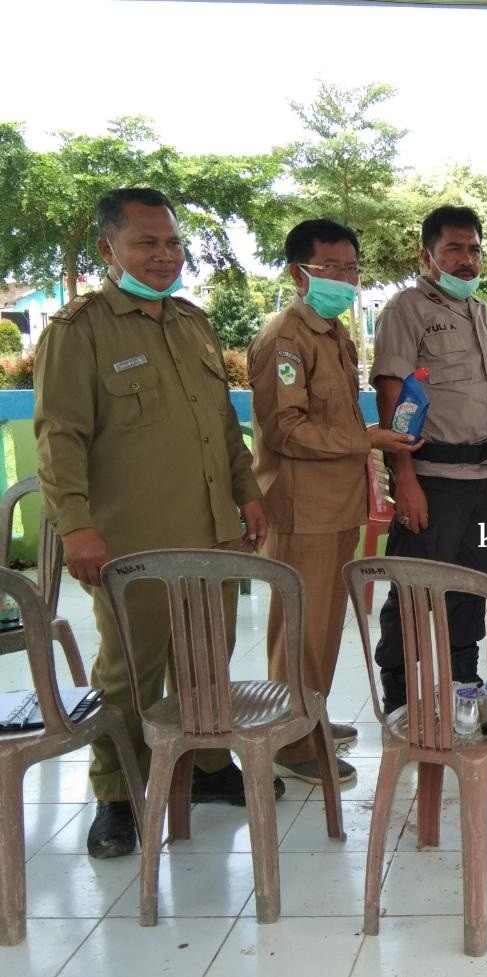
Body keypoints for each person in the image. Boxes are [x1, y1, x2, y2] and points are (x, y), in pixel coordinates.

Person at [34, 187, 273, 859]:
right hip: (132, 540)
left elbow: (221, 424)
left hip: (211, 531)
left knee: (208, 659)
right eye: (147, 242)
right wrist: (76, 526)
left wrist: (247, 493)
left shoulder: (193, 323)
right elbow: (59, 437)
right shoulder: (78, 331)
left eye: (172, 242)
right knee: (129, 673)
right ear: (109, 249)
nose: (165, 255)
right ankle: (117, 793)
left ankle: (207, 766)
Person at [248, 218, 421, 783]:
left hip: (337, 503)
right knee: (301, 628)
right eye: (332, 268)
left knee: (323, 624)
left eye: (352, 268)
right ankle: (292, 743)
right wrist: (366, 439)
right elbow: (286, 430)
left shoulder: (332, 333)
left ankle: (308, 716)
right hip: (303, 510)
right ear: (299, 273)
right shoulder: (285, 338)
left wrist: (367, 436)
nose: (345, 280)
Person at [370, 205, 487, 712]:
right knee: (413, 591)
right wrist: (404, 478)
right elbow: (392, 396)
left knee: (472, 588)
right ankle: (400, 698)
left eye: (473, 249)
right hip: (431, 479)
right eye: (454, 248)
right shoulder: (406, 310)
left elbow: (484, 397)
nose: (466, 259)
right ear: (427, 255)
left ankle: (461, 688)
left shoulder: (481, 311)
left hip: (480, 478)